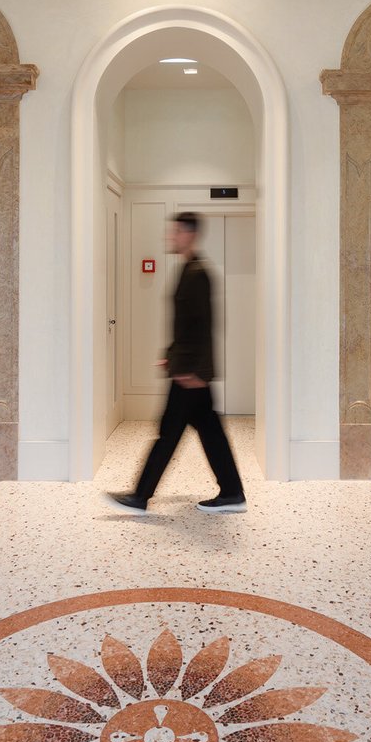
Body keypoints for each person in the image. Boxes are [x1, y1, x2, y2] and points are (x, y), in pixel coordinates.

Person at [105, 212, 247, 515]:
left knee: (169, 434)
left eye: (176, 232)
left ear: (190, 234)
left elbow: (204, 326)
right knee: (208, 431)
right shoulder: (187, 269)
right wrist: (171, 355)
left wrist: (194, 370)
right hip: (187, 369)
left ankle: (140, 497)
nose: (170, 237)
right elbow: (185, 326)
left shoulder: (198, 273)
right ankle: (232, 493)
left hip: (190, 374)